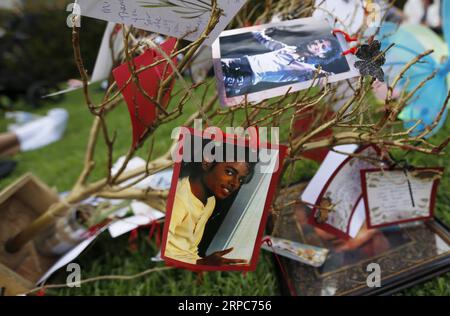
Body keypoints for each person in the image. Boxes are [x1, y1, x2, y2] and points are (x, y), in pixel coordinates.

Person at [164, 137, 258, 266]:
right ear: (207, 162)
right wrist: (200, 263)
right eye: (229, 172)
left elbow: (189, 248)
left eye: (240, 180)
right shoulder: (179, 200)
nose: (235, 183)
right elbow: (162, 252)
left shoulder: (210, 201)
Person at [221, 28, 344, 97]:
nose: (317, 44)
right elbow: (264, 39)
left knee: (221, 80)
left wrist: (328, 76)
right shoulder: (288, 48)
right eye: (320, 41)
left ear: (322, 55)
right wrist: (259, 30)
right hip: (243, 61)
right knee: (218, 65)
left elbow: (322, 76)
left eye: (322, 47)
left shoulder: (307, 69)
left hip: (250, 77)